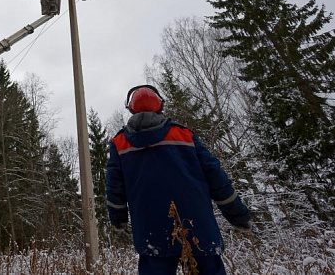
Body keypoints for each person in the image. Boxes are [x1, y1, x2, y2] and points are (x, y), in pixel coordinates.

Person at [106, 85, 251, 275]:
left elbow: (114, 187)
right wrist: (237, 215)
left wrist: (118, 219)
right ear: (159, 106)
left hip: (151, 231)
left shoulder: (119, 143)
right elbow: (216, 176)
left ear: (130, 108)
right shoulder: (184, 135)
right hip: (198, 227)